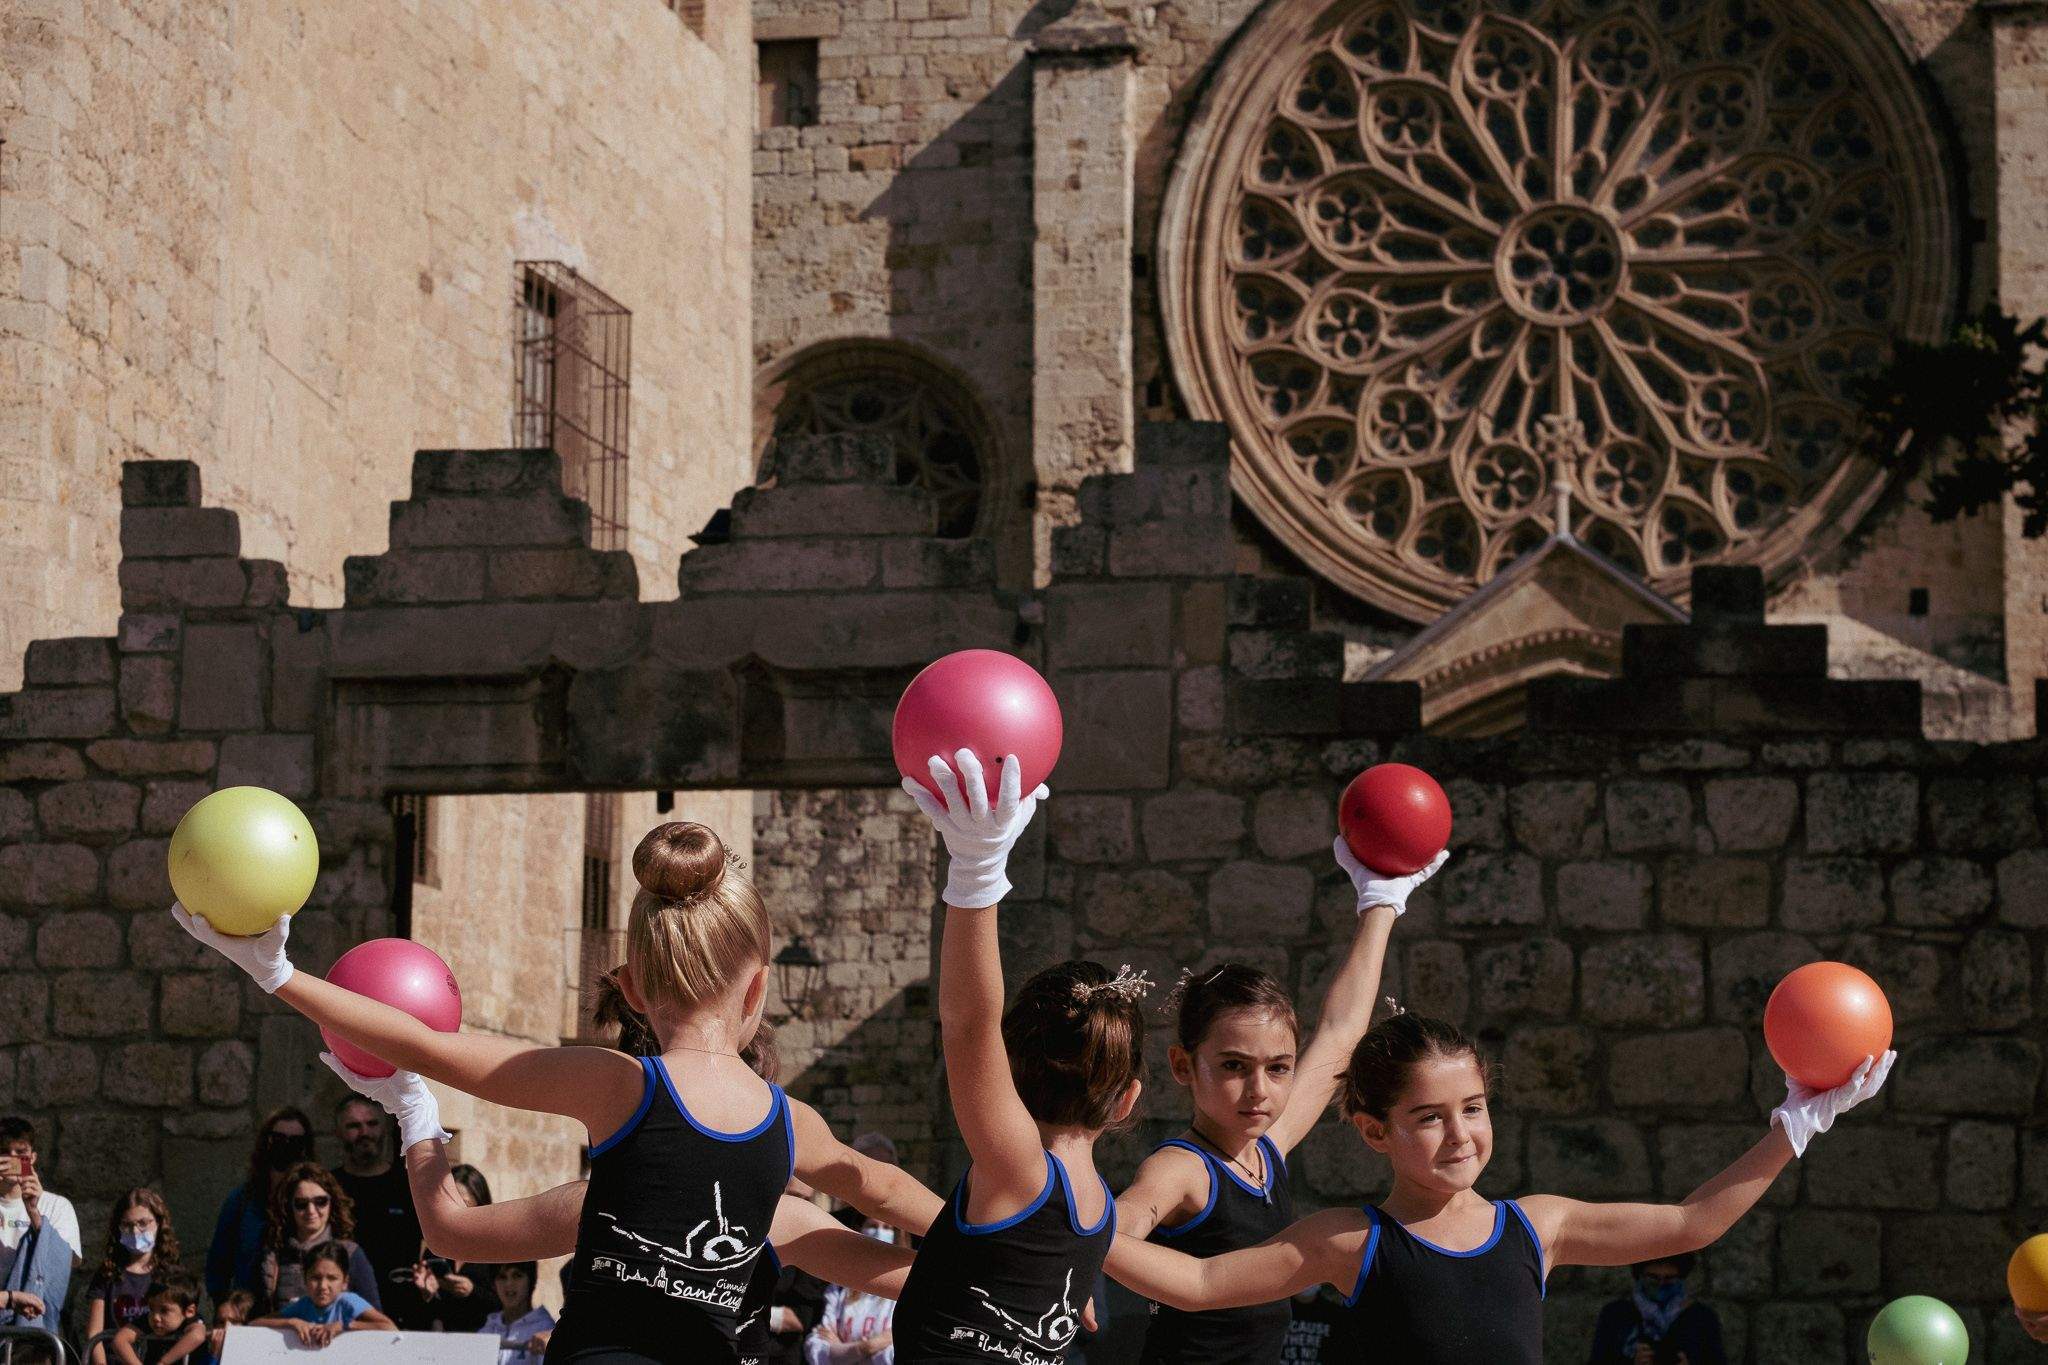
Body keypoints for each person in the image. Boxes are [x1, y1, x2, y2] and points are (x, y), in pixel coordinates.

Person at [175, 818, 945, 1363]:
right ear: (758, 990)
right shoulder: (788, 1137)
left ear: (632, 990)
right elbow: (880, 1190)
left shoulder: (617, 1093)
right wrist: (1008, 1241)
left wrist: (283, 976)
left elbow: (431, 1059)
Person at [1104, 1010, 1893, 1361]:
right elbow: (1202, 1283)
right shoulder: (1351, 1239)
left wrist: (1793, 1128)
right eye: (1429, 1116)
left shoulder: (1538, 1226)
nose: (1460, 1134)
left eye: (1473, 1107)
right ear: (1375, 1131)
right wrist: (1079, 1227)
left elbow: (1691, 1222)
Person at [1118, 841, 1444, 1365]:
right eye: (1233, 1066)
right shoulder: (1183, 1168)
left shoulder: (1266, 1148)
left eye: (1278, 1068)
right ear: (1183, 1066)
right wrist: (1083, 1264)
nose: (1258, 1089)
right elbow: (1127, 1217)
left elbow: (1340, 1032)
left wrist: (1380, 904)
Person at [889, 751, 1131, 1364]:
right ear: (1128, 1100)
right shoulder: (1099, 1210)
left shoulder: (1021, 1170)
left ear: (1009, 1074)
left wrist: (977, 868)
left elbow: (970, 1025)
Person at [204, 1107, 314, 1300]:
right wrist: (224, 1304)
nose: (286, 1146)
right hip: (250, 1309)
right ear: (267, 1142)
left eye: (295, 1141)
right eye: (278, 1139)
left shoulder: (316, 1203)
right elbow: (218, 1264)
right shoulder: (242, 1201)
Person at [258, 1163, 381, 1312]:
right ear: (288, 1206)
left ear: (332, 1202)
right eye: (301, 1204)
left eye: (320, 1202)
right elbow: (253, 1313)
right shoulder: (273, 1255)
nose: (311, 1210)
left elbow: (375, 1318)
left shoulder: (351, 1254)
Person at [389, 1163, 496, 1332]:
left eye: (465, 1204)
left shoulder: (496, 1248)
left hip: (487, 1340)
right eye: (451, 1203)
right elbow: (427, 1312)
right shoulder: (435, 1249)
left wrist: (472, 1291)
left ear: (481, 1205)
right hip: (443, 1342)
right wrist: (428, 1294)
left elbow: (512, 1304)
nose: (457, 1211)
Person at [84, 1189, 185, 1363]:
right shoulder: (108, 1272)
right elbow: (94, 1333)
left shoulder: (171, 1274)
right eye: (127, 1225)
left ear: (159, 1223)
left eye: (143, 1223)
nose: (135, 1231)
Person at [332, 1093, 424, 1286]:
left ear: (385, 1128)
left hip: (401, 1297)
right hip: (344, 1297)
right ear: (338, 1133)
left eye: (372, 1124)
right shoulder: (328, 1187)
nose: (364, 1132)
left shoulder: (410, 1185)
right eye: (354, 1126)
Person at [0, 1117, 76, 1341]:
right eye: (4, 1152)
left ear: (32, 1158)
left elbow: (62, 1265)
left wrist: (34, 1211)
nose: (12, 1159)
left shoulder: (57, 1206)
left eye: (20, 1153)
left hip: (32, 1329)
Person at [1588, 1254, 1728, 1364]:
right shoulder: (1616, 1314)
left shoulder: (1702, 1318)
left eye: (1669, 1278)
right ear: (1640, 1275)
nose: (1661, 1284)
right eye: (1653, 1278)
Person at [249, 1242, 396, 1347]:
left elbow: (390, 1327)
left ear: (345, 1282)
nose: (323, 1286)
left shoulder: (348, 1302)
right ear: (305, 1279)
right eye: (315, 1278)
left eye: (332, 1278)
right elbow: (255, 1324)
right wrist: (292, 1322)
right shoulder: (303, 1305)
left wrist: (344, 1325)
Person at [803, 1214, 901, 1365]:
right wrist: (867, 1347)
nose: (879, 1232)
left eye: (887, 1228)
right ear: (859, 1230)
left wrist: (843, 1352)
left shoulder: (902, 1290)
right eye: (873, 1226)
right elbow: (815, 1348)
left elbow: (896, 1355)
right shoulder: (839, 1288)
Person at [108, 1272, 207, 1365]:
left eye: (164, 1310)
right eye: (151, 1308)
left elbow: (198, 1336)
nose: (155, 1317)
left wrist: (163, 1362)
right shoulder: (149, 1319)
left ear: (189, 1311)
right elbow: (120, 1340)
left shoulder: (190, 1321)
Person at [479, 1261, 554, 1363]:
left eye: (517, 1276)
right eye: (502, 1277)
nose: (509, 1284)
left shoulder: (545, 1329)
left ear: (531, 1281)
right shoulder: (487, 1330)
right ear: (494, 1285)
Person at [197, 1289, 252, 1365]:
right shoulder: (205, 1356)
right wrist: (214, 1355)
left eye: (234, 1322)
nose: (226, 1328)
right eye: (221, 1322)